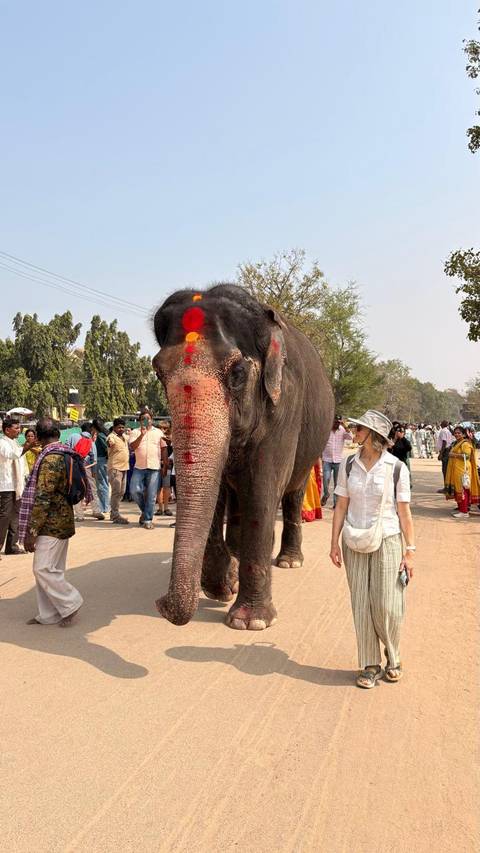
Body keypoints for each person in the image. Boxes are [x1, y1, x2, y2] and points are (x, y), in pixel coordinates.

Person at [329, 409, 414, 689]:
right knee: (361, 604)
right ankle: (370, 664)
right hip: (353, 540)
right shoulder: (349, 464)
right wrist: (333, 543)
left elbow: (404, 513)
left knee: (386, 604)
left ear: (374, 435)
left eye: (360, 430)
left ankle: (394, 654)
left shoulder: (395, 468)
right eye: (355, 429)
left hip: (387, 539)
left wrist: (409, 550)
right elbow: (341, 504)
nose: (354, 433)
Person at [19, 418, 89, 626]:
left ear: (39, 438)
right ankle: (48, 614)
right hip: (63, 520)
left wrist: (32, 530)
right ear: (58, 434)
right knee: (53, 569)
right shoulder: (67, 452)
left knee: (42, 569)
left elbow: (43, 497)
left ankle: (70, 603)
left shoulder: (50, 459)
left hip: (50, 524)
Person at [128, 408, 168, 529]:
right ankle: (146, 512)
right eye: (143, 419)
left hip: (154, 467)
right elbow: (132, 447)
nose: (146, 421)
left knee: (151, 496)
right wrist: (142, 434)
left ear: (151, 420)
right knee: (134, 491)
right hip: (139, 467)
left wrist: (165, 464)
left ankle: (147, 520)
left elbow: (164, 448)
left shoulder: (158, 433)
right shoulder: (135, 432)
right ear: (140, 421)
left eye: (148, 419)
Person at [0, 416, 32, 558]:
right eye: (16, 428)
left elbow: (21, 463)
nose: (19, 430)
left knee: (15, 516)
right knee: (5, 516)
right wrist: (26, 447)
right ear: (7, 430)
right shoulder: (2, 443)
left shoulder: (14, 443)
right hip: (5, 485)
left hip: (17, 485)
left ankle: (12, 546)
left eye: (19, 427)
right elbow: (12, 455)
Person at [65, 422, 103, 521]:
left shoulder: (72, 436)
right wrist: (93, 472)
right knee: (92, 489)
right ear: (91, 430)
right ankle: (96, 511)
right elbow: (93, 458)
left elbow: (66, 448)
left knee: (76, 489)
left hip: (73, 466)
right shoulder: (91, 442)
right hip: (86, 467)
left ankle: (79, 515)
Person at [444, 425, 480, 519]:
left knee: (462, 490)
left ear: (463, 434)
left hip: (463, 470)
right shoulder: (457, 443)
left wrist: (454, 455)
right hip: (457, 469)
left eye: (459, 433)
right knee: (460, 490)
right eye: (455, 433)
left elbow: (467, 456)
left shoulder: (465, 444)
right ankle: (463, 509)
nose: (457, 434)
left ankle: (464, 512)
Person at [321, 415, 353, 508]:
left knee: (337, 483)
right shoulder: (326, 430)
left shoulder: (342, 430)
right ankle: (326, 494)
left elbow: (350, 438)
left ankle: (335, 504)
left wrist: (345, 426)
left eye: (339, 422)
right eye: (335, 422)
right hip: (327, 459)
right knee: (326, 480)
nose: (337, 424)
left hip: (338, 461)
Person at [106, 418, 130, 524]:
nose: (121, 429)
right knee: (116, 492)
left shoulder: (124, 437)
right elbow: (109, 443)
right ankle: (115, 515)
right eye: (119, 427)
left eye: (122, 427)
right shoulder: (111, 437)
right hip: (115, 468)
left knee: (122, 492)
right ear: (114, 427)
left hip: (125, 467)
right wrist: (109, 443)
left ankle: (114, 512)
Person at [92, 417, 110, 516]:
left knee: (102, 484)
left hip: (101, 461)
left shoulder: (100, 436)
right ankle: (104, 506)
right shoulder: (104, 434)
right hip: (103, 461)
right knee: (103, 484)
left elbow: (107, 448)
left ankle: (104, 507)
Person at [436, 420, 455, 493]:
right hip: (448, 450)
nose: (440, 424)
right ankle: (448, 487)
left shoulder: (443, 431)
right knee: (447, 469)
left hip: (445, 452)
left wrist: (441, 453)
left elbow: (444, 442)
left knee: (445, 470)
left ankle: (446, 488)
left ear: (443, 424)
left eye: (441, 423)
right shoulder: (448, 431)